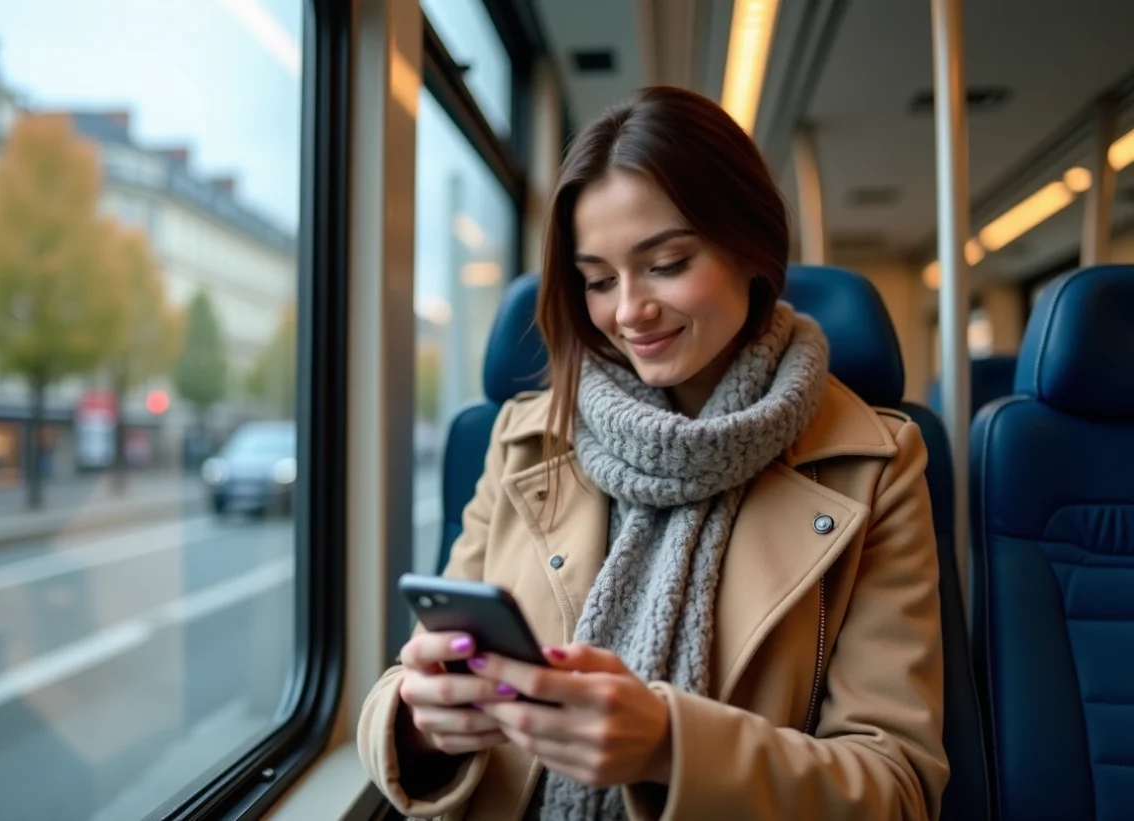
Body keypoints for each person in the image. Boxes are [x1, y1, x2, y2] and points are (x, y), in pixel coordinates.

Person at [358, 85, 947, 820]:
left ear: (751, 249)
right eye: (598, 280)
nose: (628, 311)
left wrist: (671, 746)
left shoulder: (876, 464)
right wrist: (421, 721)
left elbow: (897, 789)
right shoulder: (520, 440)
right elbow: (408, 675)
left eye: (666, 264)